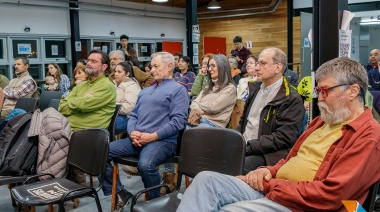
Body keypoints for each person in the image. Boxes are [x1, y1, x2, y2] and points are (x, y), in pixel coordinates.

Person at [177, 57, 380, 212]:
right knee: (205, 180)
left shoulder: (367, 135)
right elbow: (292, 159)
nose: (320, 99)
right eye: (318, 91)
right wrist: (269, 171)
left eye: (325, 91)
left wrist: (270, 184)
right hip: (278, 189)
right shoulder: (323, 121)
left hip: (300, 205)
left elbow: (331, 195)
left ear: (353, 91)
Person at [101, 52, 189, 212]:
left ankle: (156, 205)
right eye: (151, 66)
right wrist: (132, 131)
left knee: (145, 164)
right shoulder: (145, 91)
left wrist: (152, 136)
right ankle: (121, 193)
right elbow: (133, 115)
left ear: (169, 66)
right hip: (137, 139)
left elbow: (178, 122)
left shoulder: (178, 90)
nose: (151, 70)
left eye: (156, 66)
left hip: (163, 141)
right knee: (101, 152)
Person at [236, 48, 304, 174]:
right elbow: (243, 123)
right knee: (214, 158)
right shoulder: (255, 89)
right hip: (244, 148)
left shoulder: (291, 98)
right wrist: (234, 140)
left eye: (263, 64)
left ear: (278, 67)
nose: (257, 68)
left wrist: (247, 147)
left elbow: (283, 138)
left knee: (234, 167)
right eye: (257, 63)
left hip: (268, 155)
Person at [58, 49, 116, 131]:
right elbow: (62, 107)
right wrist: (82, 101)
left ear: (104, 67)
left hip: (86, 133)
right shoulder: (81, 85)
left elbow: (84, 105)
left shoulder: (107, 86)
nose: (88, 63)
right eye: (88, 60)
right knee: (44, 117)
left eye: (93, 61)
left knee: (45, 120)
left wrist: (72, 103)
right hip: (66, 128)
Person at [187, 54, 237, 129]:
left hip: (214, 125)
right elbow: (194, 102)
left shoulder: (230, 89)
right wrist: (202, 108)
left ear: (222, 67)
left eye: (213, 66)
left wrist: (199, 106)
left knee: (190, 131)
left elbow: (213, 108)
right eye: (209, 66)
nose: (209, 69)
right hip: (198, 120)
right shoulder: (208, 87)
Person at [113, 61, 141, 131]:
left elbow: (130, 107)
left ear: (127, 74)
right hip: (115, 115)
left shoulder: (132, 86)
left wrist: (108, 106)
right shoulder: (114, 84)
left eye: (119, 72)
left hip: (127, 118)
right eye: (115, 71)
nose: (115, 74)